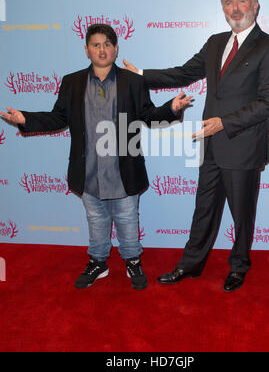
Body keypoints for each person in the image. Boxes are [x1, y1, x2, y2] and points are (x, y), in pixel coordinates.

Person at [123, 0, 269, 292]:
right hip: (210, 144)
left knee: (242, 214)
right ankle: (190, 264)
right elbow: (183, 73)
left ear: (255, 5)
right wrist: (140, 75)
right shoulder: (215, 42)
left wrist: (224, 122)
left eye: (241, 1)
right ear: (222, 8)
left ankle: (239, 266)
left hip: (242, 144)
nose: (235, 8)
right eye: (228, 2)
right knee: (204, 208)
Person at [0, 24, 192, 291]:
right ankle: (98, 262)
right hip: (88, 167)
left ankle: (132, 260)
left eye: (107, 44)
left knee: (127, 218)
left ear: (115, 48)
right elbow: (58, 118)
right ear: (87, 49)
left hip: (124, 167)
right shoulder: (72, 82)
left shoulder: (133, 81)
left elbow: (148, 116)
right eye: (96, 44)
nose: (102, 49)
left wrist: (171, 109)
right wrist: (25, 119)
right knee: (96, 219)